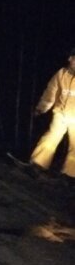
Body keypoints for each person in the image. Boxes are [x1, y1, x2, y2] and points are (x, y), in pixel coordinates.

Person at [29, 47, 75, 178]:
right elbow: (50, 93)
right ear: (70, 59)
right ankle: (38, 163)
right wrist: (41, 108)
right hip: (60, 113)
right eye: (73, 59)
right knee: (51, 137)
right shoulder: (61, 74)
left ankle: (70, 174)